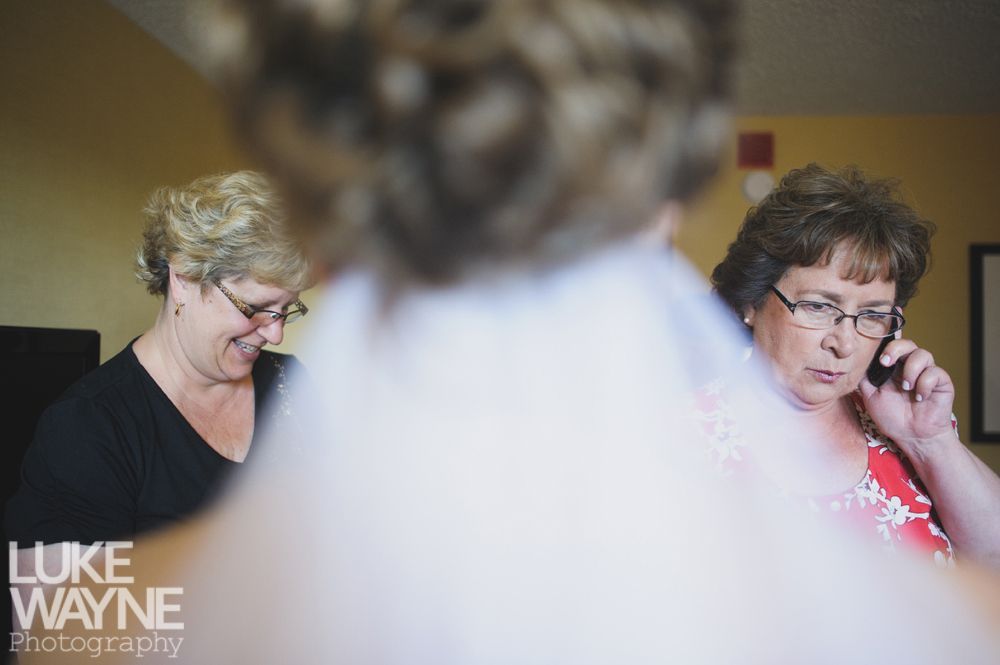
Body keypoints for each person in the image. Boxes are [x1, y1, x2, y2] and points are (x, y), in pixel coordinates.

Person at [12, 3, 997, 663]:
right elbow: (41, 616)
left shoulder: (263, 453)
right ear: (661, 213)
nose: (272, 325)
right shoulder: (93, 426)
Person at [709, 163, 1000, 568]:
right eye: (817, 306)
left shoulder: (905, 425)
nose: (844, 343)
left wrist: (930, 442)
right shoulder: (679, 433)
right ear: (750, 302)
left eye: (873, 315)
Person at [5, 170, 312, 549]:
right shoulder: (90, 427)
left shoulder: (293, 381)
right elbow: (66, 608)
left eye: (285, 309)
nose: (275, 333)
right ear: (183, 278)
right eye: (255, 307)